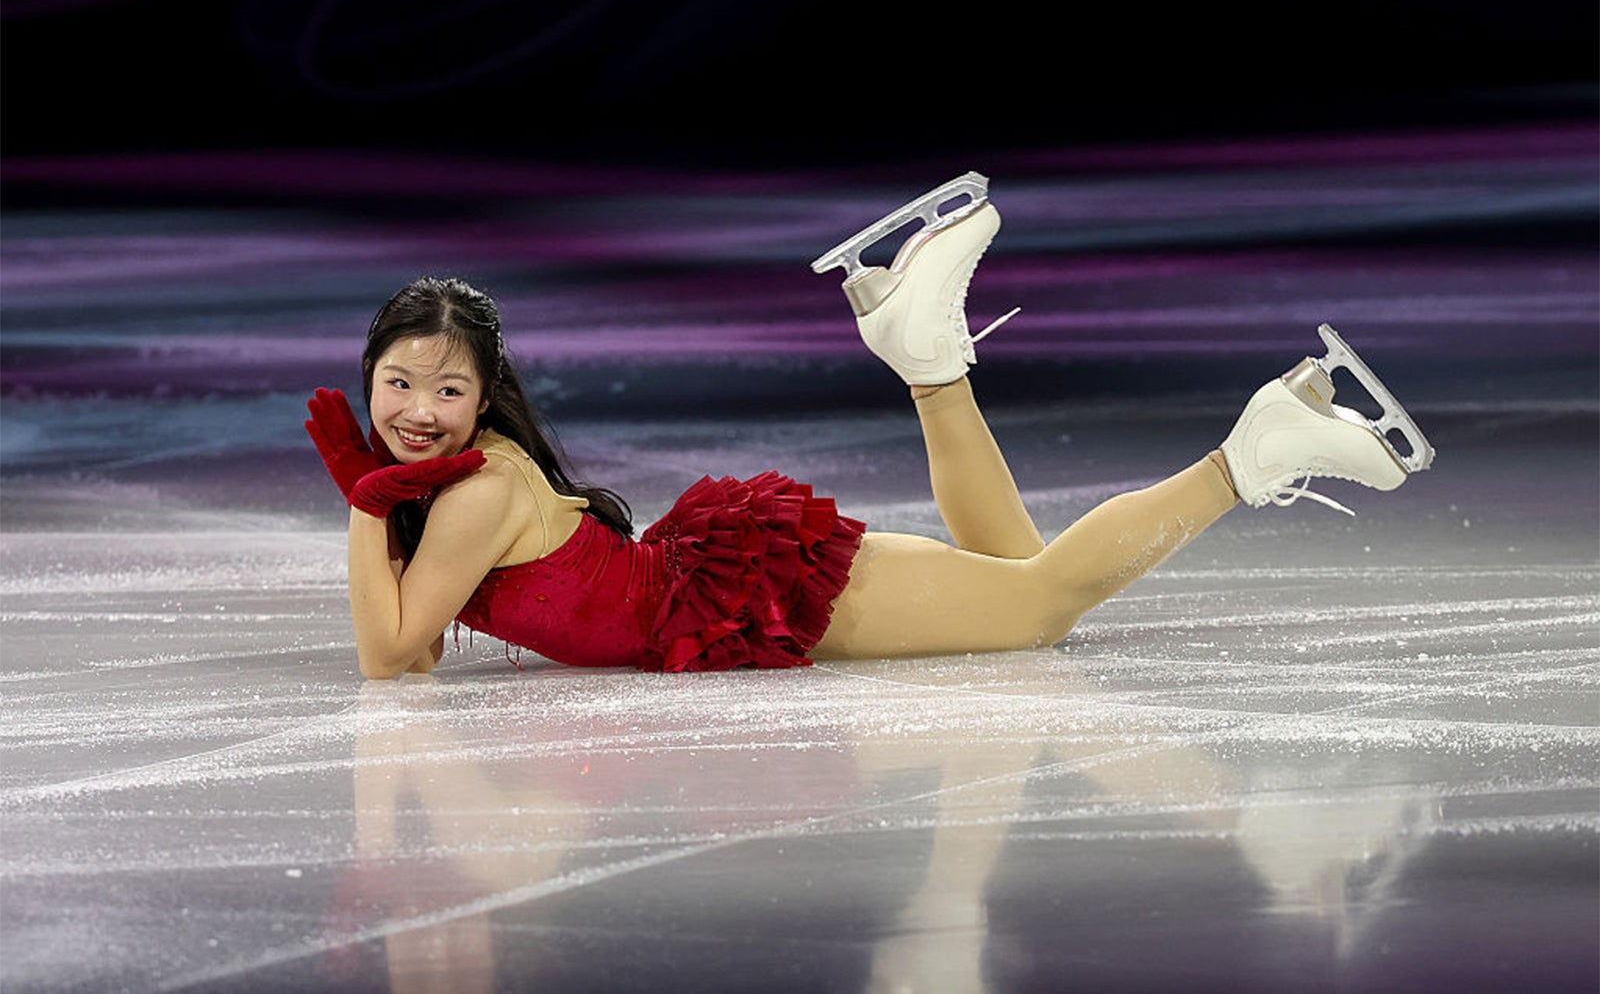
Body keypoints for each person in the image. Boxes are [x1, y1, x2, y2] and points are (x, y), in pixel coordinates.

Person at [305, 174, 1433, 679]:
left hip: (738, 599)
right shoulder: (458, 480)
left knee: (1038, 608)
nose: (418, 413)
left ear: (486, 396)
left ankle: (1255, 449)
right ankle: (926, 358)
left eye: (447, 390)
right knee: (1015, 575)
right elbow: (404, 649)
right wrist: (377, 492)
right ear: (369, 376)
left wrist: (363, 496)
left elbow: (392, 657)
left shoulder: (472, 488)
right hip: (718, 591)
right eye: (399, 385)